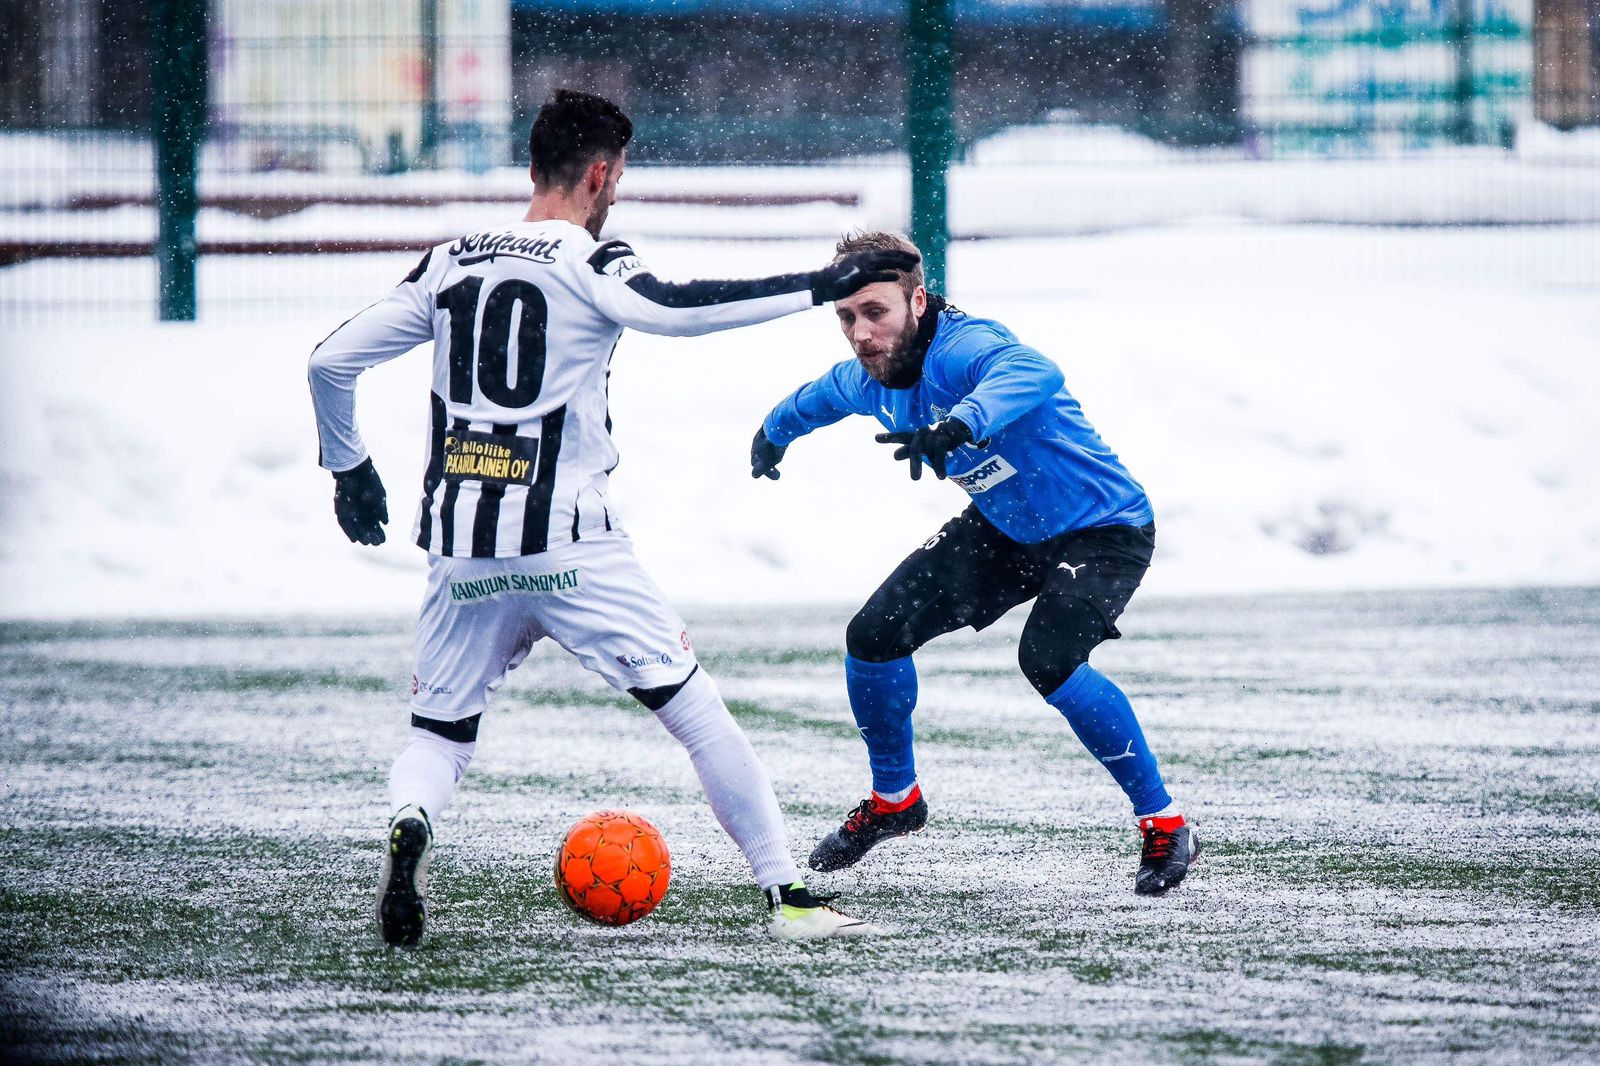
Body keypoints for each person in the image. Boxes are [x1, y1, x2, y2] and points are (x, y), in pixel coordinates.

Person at [308, 90, 915, 944]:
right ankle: (788, 897)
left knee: (440, 732)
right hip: (568, 545)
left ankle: (412, 820)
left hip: (462, 550)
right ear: (601, 173)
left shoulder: (448, 260)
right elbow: (672, 309)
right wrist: (816, 287)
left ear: (532, 168)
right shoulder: (587, 259)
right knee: (697, 714)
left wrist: (349, 469)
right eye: (618, 177)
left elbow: (330, 361)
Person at [749, 231, 1199, 895]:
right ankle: (896, 801)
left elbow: (1034, 370)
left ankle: (1165, 823)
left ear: (919, 300)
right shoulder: (867, 379)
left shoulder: (964, 346)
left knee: (1048, 659)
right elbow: (815, 398)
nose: (861, 333)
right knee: (873, 637)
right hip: (1005, 531)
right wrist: (771, 436)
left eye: (876, 311)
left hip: (1103, 529)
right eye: (846, 317)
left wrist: (963, 422)